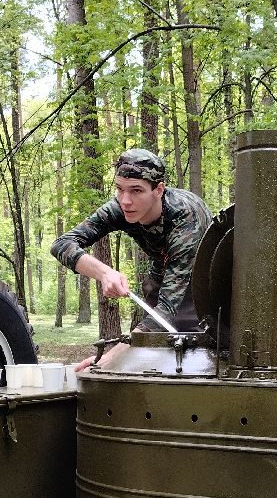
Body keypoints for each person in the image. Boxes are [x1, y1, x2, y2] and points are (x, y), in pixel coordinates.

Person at [51, 149, 211, 350]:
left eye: (136, 190)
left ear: (159, 190)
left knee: (191, 348)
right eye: (120, 189)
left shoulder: (186, 218)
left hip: (203, 281)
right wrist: (105, 273)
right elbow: (61, 245)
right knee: (151, 349)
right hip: (161, 272)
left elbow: (166, 310)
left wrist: (117, 354)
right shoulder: (120, 206)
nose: (126, 201)